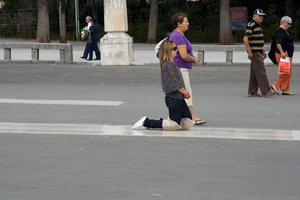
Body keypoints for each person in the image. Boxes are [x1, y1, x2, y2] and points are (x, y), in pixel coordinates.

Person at [132, 40, 194, 131]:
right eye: (174, 49)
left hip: (179, 98)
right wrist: (185, 93)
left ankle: (163, 122)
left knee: (188, 122)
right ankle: (146, 122)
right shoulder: (168, 65)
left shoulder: (171, 64)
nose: (177, 50)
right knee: (174, 125)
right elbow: (175, 83)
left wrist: (184, 94)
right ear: (168, 51)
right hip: (174, 99)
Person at [169, 12, 206, 125]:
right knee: (186, 92)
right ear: (179, 24)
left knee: (179, 93)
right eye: (186, 21)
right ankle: (192, 117)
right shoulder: (178, 36)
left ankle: (172, 117)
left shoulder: (179, 35)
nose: (188, 23)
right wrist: (193, 59)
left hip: (180, 68)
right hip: (180, 68)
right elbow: (184, 55)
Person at [243, 9, 275, 97]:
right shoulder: (251, 25)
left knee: (254, 72)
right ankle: (266, 91)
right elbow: (246, 39)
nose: (261, 18)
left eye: (262, 16)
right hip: (255, 52)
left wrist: (263, 51)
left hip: (258, 51)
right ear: (254, 16)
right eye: (259, 16)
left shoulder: (258, 26)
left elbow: (258, 41)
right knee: (261, 71)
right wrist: (249, 52)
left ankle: (252, 92)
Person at [271, 16, 294, 95]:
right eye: (289, 24)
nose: (290, 26)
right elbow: (278, 43)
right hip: (283, 54)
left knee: (288, 72)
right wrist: (282, 53)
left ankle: (285, 89)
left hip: (287, 54)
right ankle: (276, 85)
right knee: (285, 72)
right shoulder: (280, 31)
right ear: (284, 22)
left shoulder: (283, 31)